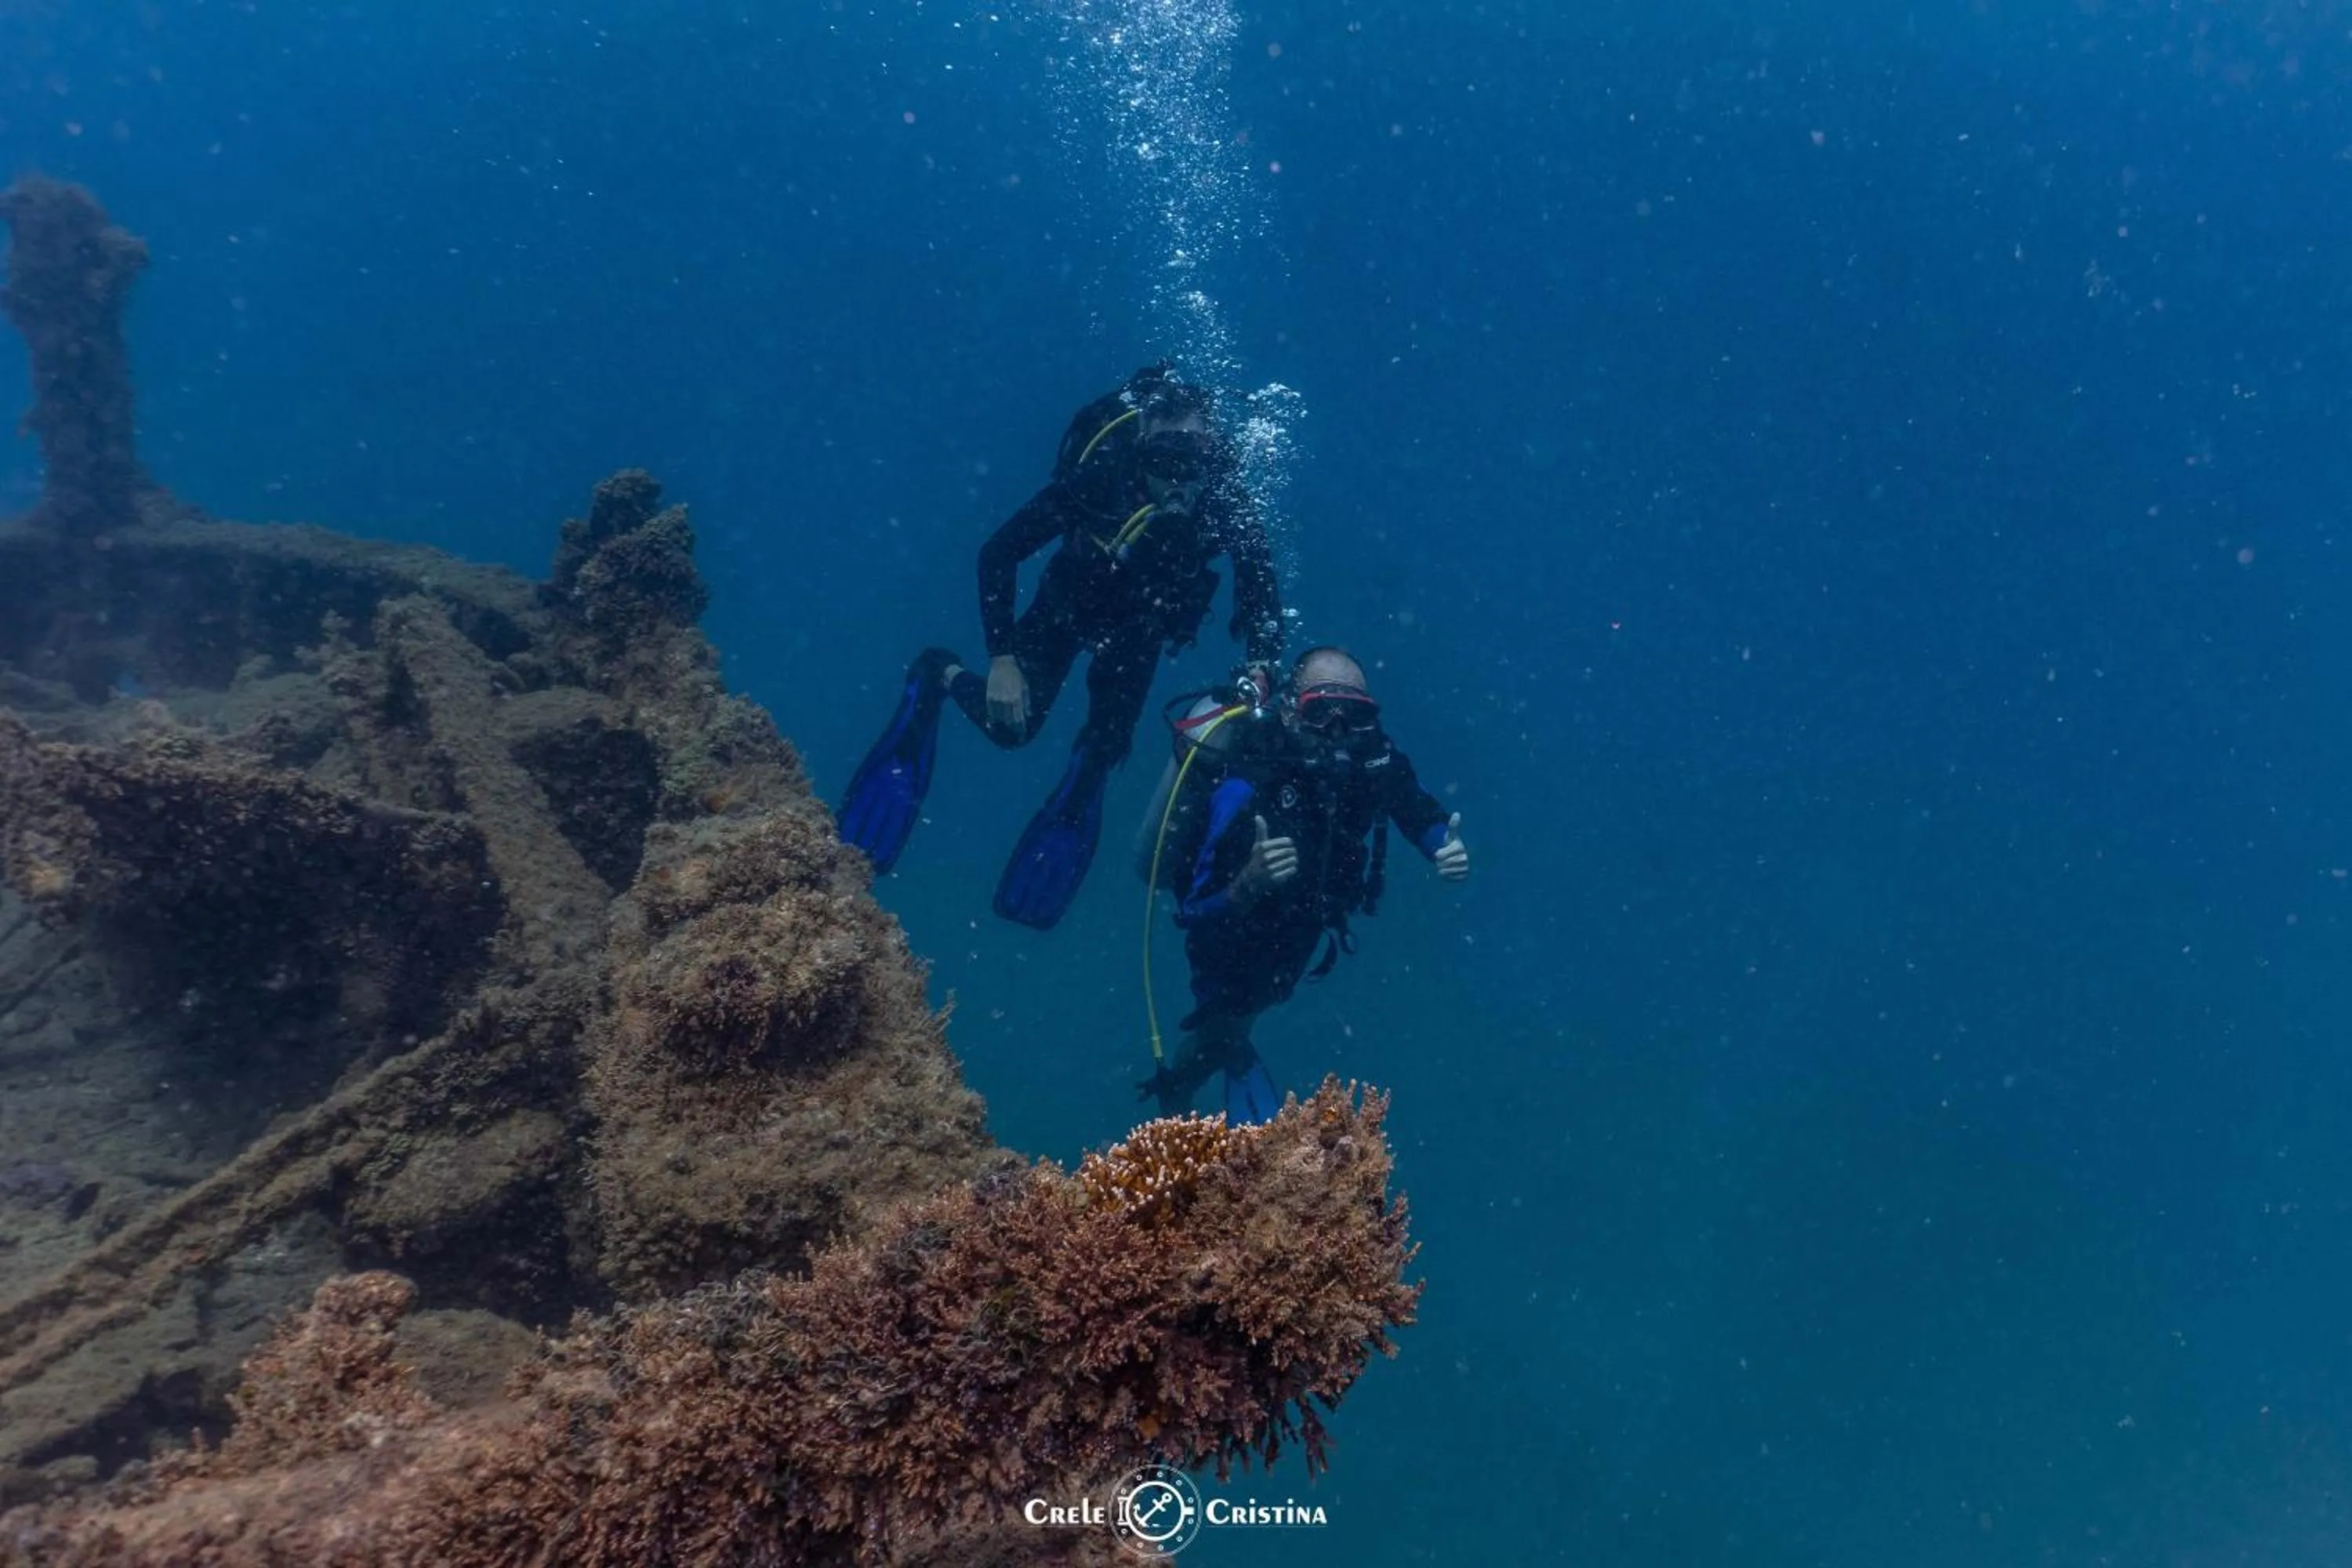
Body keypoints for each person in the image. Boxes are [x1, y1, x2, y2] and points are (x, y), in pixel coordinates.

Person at [836, 362, 1285, 930]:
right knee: (1011, 730)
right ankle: (937, 673)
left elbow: (1264, 601)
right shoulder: (1101, 478)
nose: (1176, 481)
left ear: (1213, 454)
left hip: (1140, 636)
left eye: (1191, 462)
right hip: (1065, 610)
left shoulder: (1228, 506)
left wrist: (1263, 666)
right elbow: (998, 553)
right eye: (1162, 460)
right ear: (1141, 444)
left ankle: (1079, 792)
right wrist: (1000, 658)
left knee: (1105, 752)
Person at [1138, 646, 1472, 1123]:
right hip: (1230, 931)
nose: (1338, 731)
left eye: (1354, 716)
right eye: (1321, 712)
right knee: (1225, 1022)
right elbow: (1191, 914)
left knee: (1248, 1012)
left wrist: (1442, 845)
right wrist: (1246, 883)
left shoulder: (1374, 760)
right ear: (1292, 711)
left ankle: (1213, 1065)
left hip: (1304, 923)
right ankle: (1179, 1098)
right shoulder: (1253, 768)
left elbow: (1413, 805)